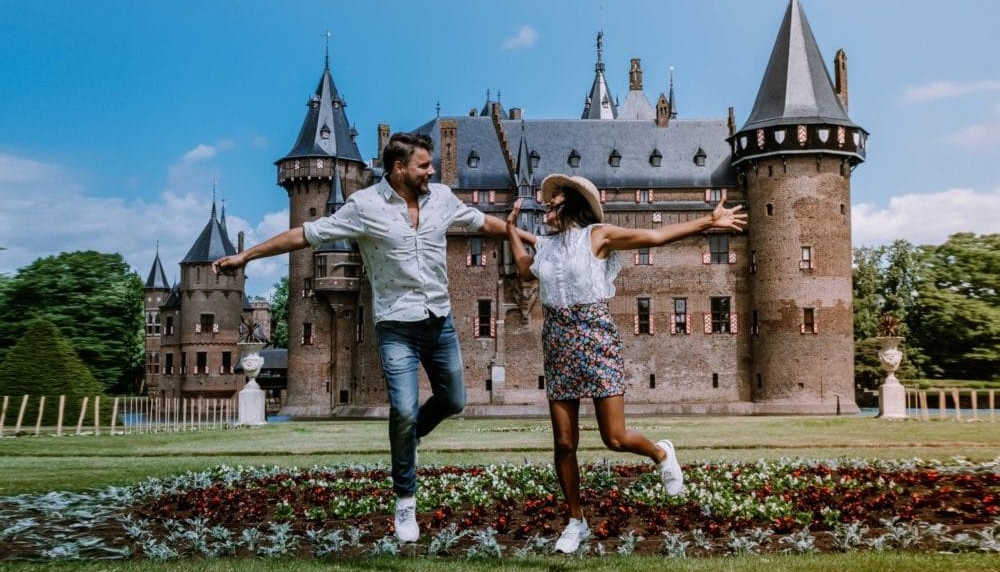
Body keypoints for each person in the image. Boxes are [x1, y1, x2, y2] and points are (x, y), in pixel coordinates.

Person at [213, 132, 527, 543]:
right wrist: (247, 254)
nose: (431, 171)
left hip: (440, 320)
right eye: (423, 165)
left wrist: (525, 234)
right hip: (396, 325)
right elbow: (306, 234)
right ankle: (405, 501)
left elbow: (482, 222)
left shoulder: (442, 199)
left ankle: (410, 438)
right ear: (399, 169)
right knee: (402, 407)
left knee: (454, 400)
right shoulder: (366, 206)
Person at [504, 174, 746, 554]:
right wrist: (510, 229)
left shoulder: (598, 236)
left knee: (614, 437)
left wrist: (708, 222)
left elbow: (654, 238)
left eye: (553, 200)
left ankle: (661, 452)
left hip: (596, 336)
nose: (546, 205)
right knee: (564, 442)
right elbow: (523, 269)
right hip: (558, 339)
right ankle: (575, 521)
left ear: (570, 202)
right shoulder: (547, 248)